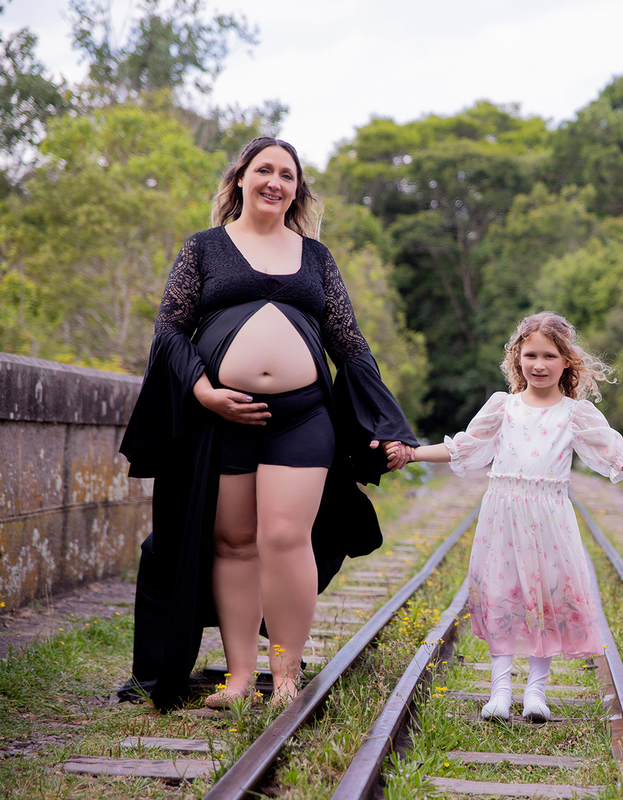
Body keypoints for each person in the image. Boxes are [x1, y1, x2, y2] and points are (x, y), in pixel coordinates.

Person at [118, 136, 418, 711]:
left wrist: (388, 422)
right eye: (264, 170)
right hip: (222, 417)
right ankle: (237, 678)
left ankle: (284, 678)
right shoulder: (203, 249)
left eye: (287, 174)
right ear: (240, 180)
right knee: (234, 544)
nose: (275, 181)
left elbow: (349, 344)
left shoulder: (316, 257)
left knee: (284, 537)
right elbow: (169, 333)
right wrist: (206, 393)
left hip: (302, 415)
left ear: (297, 189)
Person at [387, 312, 623, 722]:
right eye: (530, 354)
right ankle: (499, 690)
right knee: (500, 594)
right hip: (502, 514)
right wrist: (412, 452)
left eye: (550, 355)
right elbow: (463, 448)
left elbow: (616, 457)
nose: (539, 364)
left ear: (567, 361)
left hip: (549, 518)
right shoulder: (503, 406)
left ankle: (535, 691)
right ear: (517, 357)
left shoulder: (574, 413)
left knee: (543, 599)